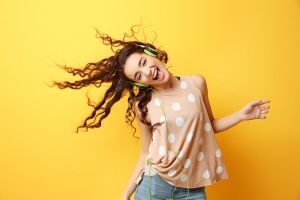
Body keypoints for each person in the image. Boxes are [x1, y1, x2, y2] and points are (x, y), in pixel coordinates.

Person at [48, 25, 271, 200]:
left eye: (144, 62)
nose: (147, 72)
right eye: (138, 75)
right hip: (156, 183)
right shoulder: (143, 106)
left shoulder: (197, 83)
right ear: (140, 83)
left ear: (151, 53)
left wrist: (241, 116)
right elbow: (146, 152)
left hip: (192, 187)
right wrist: (126, 194)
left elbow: (208, 126)